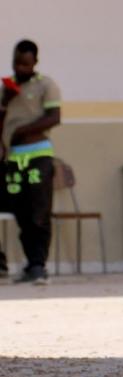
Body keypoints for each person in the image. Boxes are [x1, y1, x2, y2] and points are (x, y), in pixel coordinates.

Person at [0, 39, 61, 285]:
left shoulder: (46, 85)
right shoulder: (7, 88)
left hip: (38, 156)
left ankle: (38, 266)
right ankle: (15, 264)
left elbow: (54, 117)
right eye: (16, 63)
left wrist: (22, 131)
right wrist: (5, 101)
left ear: (34, 62)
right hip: (12, 159)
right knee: (22, 213)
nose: (20, 68)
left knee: (38, 213)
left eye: (25, 63)